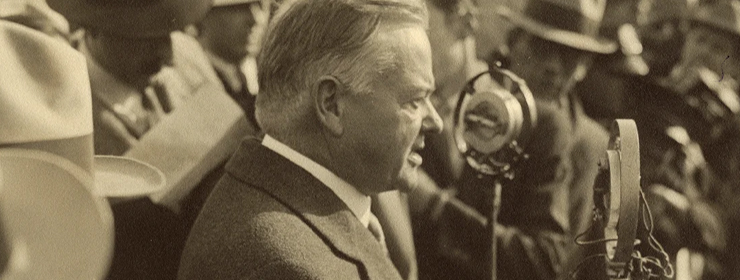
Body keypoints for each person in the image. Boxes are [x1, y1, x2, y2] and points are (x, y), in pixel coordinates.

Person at [178, 0, 443, 279]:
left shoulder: (291, 211)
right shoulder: (284, 264)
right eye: (415, 101)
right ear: (331, 104)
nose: (435, 122)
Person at [411, 0, 617, 279]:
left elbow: (582, 263)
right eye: (541, 48)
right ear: (514, 41)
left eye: (570, 56)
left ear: (585, 65)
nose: (553, 68)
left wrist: (435, 208)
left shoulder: (596, 149)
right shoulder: (456, 112)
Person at [47, 1, 213, 279]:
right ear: (94, 29)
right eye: (147, 39)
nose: (168, 56)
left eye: (170, 34)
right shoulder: (55, 105)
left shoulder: (184, 63)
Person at [195, 0, 265, 129]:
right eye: (241, 8)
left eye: (260, 6)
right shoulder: (189, 84)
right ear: (202, 15)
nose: (255, 19)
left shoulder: (246, 81)